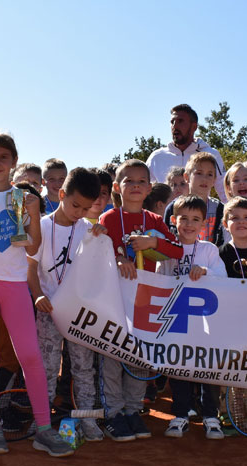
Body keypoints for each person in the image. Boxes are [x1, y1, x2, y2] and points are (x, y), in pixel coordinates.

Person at [0, 131, 73, 456]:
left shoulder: (23, 200)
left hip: (16, 285)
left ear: (13, 162)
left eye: (2, 157)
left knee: (30, 355)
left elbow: (32, 247)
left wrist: (33, 213)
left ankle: (44, 430)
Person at [99, 159, 182, 441]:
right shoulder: (108, 219)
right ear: (116, 187)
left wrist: (153, 243)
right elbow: (96, 256)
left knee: (137, 356)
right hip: (113, 299)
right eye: (128, 181)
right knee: (111, 354)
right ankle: (113, 413)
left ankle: (133, 410)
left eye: (140, 182)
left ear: (149, 187)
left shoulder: (155, 220)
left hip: (145, 301)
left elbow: (178, 251)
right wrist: (118, 257)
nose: (134, 186)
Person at [27, 167, 107, 444]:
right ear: (61, 195)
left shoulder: (90, 230)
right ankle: (43, 422)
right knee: (46, 367)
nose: (79, 212)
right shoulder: (41, 225)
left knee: (84, 368)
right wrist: (37, 295)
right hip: (48, 310)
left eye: (86, 208)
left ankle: (88, 420)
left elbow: (100, 270)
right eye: (75, 205)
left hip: (80, 314)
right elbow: (30, 268)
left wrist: (100, 239)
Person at [159, 195, 227, 439]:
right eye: (183, 219)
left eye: (195, 219)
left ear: (204, 224)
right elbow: (157, 279)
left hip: (204, 321)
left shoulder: (208, 249)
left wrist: (205, 271)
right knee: (177, 368)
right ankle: (180, 415)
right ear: (174, 220)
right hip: (175, 321)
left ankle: (211, 416)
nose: (188, 224)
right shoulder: (165, 249)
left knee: (207, 368)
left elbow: (223, 278)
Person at [147, 104, 227, 201]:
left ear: (194, 126)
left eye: (180, 121)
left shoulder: (211, 154)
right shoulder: (156, 157)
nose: (175, 126)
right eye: (172, 122)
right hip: (166, 216)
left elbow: (224, 192)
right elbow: (147, 195)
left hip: (202, 215)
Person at [163, 153, 224, 246]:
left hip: (210, 259)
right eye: (199, 173)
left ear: (214, 180)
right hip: (179, 258)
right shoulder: (173, 207)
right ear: (187, 177)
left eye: (210, 174)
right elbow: (166, 239)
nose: (204, 179)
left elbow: (222, 242)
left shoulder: (220, 209)